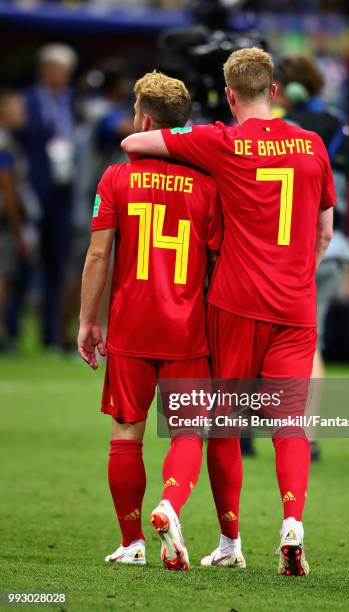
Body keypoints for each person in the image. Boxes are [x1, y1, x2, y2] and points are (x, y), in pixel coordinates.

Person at [121, 47, 335, 576]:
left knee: (221, 425)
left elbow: (135, 141)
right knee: (290, 426)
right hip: (294, 306)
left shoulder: (222, 141)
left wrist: (181, 148)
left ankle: (225, 536)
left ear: (231, 96)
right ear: (276, 92)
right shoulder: (312, 146)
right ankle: (292, 523)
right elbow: (325, 231)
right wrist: (295, 273)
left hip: (235, 303)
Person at [78, 71, 222, 570]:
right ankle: (170, 505)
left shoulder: (115, 178)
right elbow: (220, 261)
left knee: (126, 433)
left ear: (142, 119)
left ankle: (131, 541)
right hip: (188, 327)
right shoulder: (209, 185)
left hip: (131, 325)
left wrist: (87, 322)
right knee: (187, 433)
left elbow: (98, 256)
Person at [273, 54, 349, 460]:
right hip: (337, 244)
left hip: (295, 246)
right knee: (312, 342)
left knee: (270, 340)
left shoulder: (290, 129)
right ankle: (307, 435)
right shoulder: (341, 124)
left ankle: (250, 431)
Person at [13, 44, 77, 349]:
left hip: (63, 191)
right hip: (31, 192)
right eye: (56, 69)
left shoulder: (72, 101)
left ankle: (51, 335)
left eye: (65, 70)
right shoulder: (25, 101)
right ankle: (10, 332)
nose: (60, 75)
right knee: (22, 262)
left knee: (58, 264)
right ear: (44, 70)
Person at [0, 91, 39, 350]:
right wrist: (17, 230)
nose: (23, 112)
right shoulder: (4, 144)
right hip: (3, 224)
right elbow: (7, 188)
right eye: (17, 108)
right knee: (2, 279)